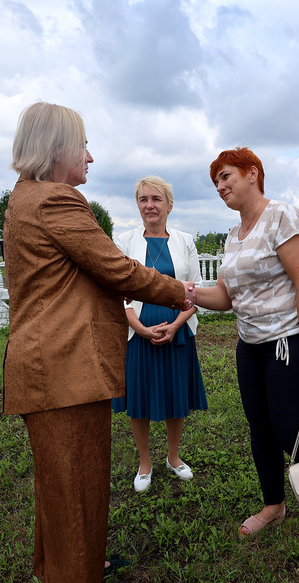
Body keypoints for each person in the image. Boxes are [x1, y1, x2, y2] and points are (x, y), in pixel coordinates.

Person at [2, 102, 195, 583]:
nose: (90, 156)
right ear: (58, 149)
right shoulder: (56, 201)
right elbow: (117, 269)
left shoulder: (24, 198)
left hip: (49, 362)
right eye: (83, 145)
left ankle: (67, 566)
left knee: (60, 478)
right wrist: (186, 294)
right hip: (61, 364)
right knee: (75, 476)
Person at [192, 147, 299, 555]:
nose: (220, 186)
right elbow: (226, 297)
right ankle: (274, 504)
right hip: (250, 347)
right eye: (216, 182)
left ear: (252, 173)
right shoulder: (233, 235)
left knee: (292, 433)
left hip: (289, 343)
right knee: (260, 429)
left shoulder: (281, 216)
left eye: (226, 176)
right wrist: (187, 293)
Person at [113, 176, 208, 492]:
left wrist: (177, 324)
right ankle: (144, 462)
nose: (149, 205)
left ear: (169, 204)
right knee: (138, 399)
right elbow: (116, 292)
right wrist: (138, 328)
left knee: (174, 395)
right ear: (137, 205)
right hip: (136, 333)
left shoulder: (185, 241)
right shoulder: (124, 241)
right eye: (143, 199)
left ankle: (173, 456)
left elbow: (195, 291)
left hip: (177, 332)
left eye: (156, 199)